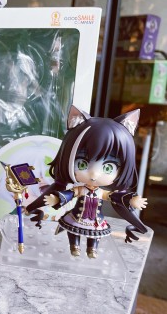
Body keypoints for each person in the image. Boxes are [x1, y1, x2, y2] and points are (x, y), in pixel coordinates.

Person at [25, 106, 148, 258]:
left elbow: (114, 197)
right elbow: (69, 194)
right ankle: (74, 246)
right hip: (76, 218)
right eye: (82, 164)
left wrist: (131, 200)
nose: (94, 174)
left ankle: (92, 249)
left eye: (108, 167)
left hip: (95, 221)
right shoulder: (81, 189)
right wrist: (56, 199)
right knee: (73, 232)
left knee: (94, 235)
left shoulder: (101, 192)